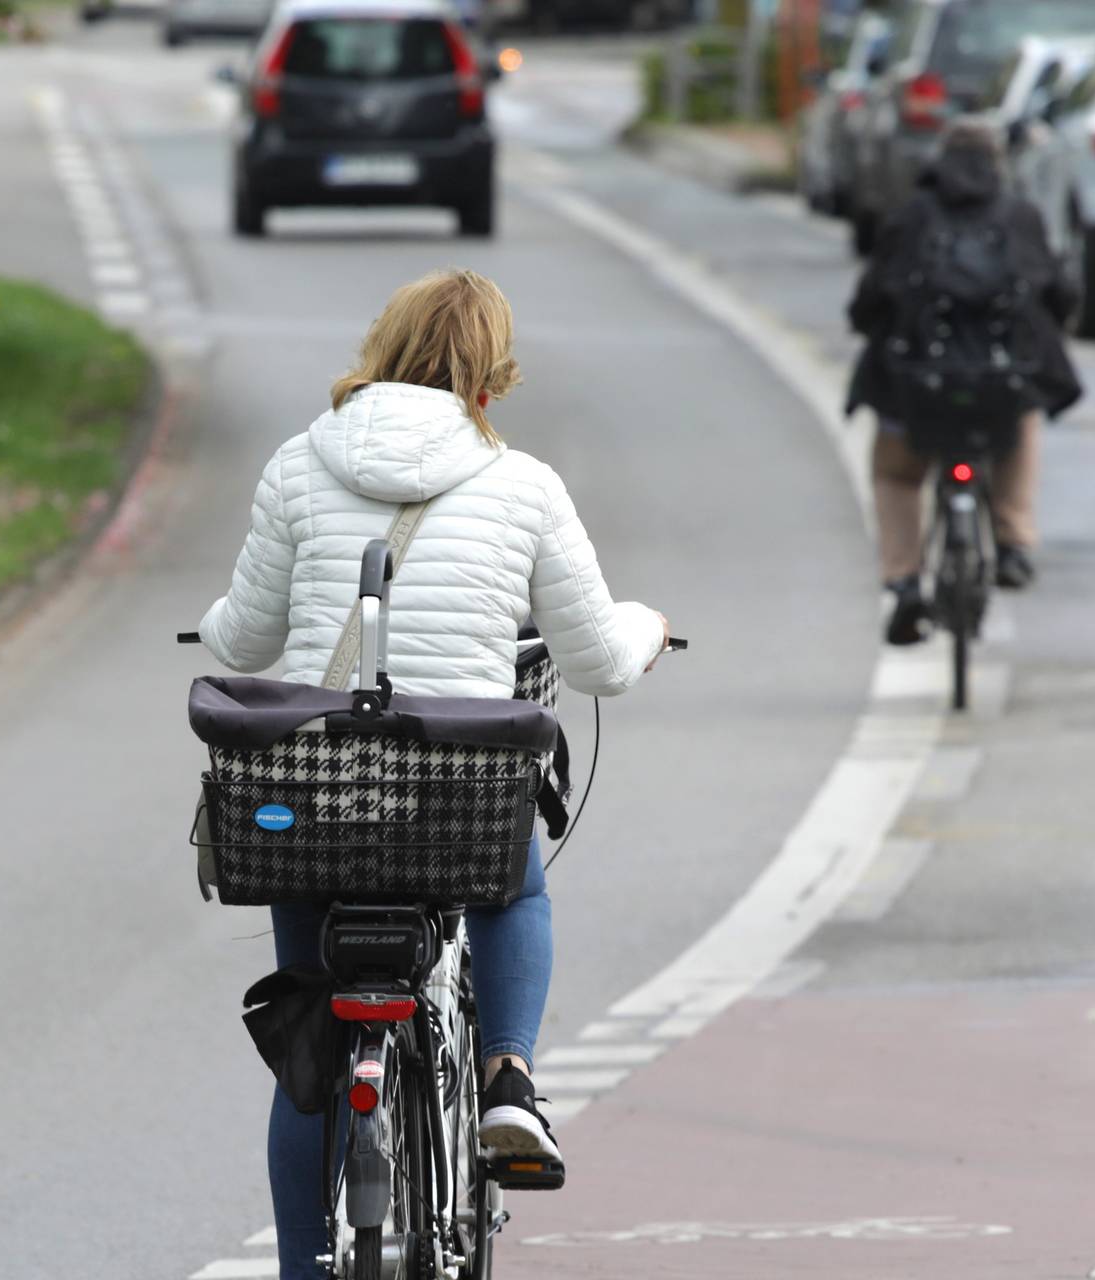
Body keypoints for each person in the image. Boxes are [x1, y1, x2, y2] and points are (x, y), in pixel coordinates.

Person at [195, 268, 670, 1280]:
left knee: (313, 1059)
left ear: (381, 349)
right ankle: (506, 1075)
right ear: (489, 381)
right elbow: (594, 664)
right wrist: (648, 626)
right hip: (456, 794)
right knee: (515, 877)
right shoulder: (526, 484)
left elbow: (241, 637)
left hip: (317, 797)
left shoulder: (297, 464)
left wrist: (229, 615)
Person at [845, 119, 1081, 645]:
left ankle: (905, 583)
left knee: (898, 476)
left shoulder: (910, 219)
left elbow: (868, 306)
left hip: (917, 388)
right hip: (1000, 385)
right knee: (1021, 423)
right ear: (998, 164)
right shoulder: (1020, 217)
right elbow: (1059, 295)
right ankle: (1014, 540)